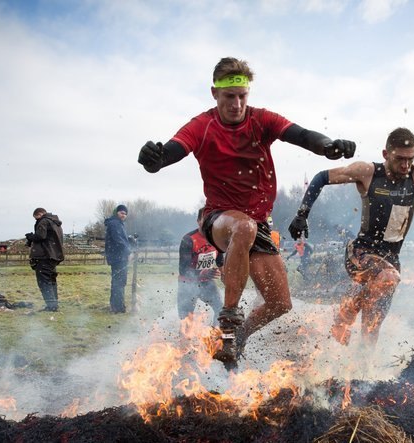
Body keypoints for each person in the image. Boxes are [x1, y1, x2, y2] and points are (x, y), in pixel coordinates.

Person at [137, 57, 356, 368]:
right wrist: (154, 159)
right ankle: (227, 324)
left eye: (242, 96)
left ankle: (238, 338)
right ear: (215, 93)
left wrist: (329, 146)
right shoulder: (202, 125)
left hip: (257, 223)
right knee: (244, 228)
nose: (237, 104)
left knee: (280, 303)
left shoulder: (261, 120)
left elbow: (303, 135)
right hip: (220, 219)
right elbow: (172, 150)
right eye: (229, 97)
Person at [288, 127, 414, 349]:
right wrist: (301, 215)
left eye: (410, 159)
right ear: (386, 154)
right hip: (361, 252)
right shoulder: (368, 172)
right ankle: (345, 315)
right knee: (388, 277)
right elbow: (321, 177)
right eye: (399, 159)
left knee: (373, 326)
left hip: (392, 257)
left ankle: (364, 371)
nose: (405, 165)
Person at [178, 209, 225, 322]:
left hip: (206, 283)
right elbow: (183, 269)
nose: (209, 223)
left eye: (212, 220)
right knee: (186, 319)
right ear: (198, 221)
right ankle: (185, 339)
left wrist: (224, 275)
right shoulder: (189, 239)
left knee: (221, 310)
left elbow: (220, 260)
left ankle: (215, 335)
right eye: (205, 220)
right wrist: (203, 272)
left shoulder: (217, 238)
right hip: (187, 284)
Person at [25, 208, 64, 312]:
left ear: (40, 214)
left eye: (36, 218)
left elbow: (41, 236)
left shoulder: (44, 221)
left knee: (44, 281)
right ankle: (53, 304)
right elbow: (48, 238)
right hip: (53, 255)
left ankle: (51, 306)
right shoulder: (55, 223)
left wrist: (31, 237)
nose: (36, 220)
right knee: (51, 280)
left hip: (44, 256)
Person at [104, 204, 131, 313]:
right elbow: (118, 240)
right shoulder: (115, 223)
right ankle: (117, 307)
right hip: (118, 257)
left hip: (118, 256)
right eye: (121, 213)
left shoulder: (118, 223)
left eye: (125, 214)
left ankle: (116, 305)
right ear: (117, 213)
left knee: (118, 281)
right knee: (119, 282)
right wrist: (129, 251)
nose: (123, 215)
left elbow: (121, 239)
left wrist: (129, 241)